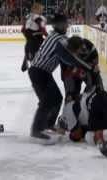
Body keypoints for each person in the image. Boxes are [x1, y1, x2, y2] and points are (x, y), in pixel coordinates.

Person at [28, 13, 96, 145]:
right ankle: (36, 129)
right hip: (38, 72)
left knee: (57, 98)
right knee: (47, 101)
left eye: (66, 23)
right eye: (64, 23)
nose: (67, 25)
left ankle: (48, 124)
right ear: (57, 25)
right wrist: (88, 67)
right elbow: (70, 58)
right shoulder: (59, 39)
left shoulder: (59, 37)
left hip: (44, 72)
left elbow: (69, 57)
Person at [20, 2, 48, 72]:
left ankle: (27, 57)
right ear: (36, 9)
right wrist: (48, 37)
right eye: (41, 9)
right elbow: (43, 29)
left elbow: (23, 30)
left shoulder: (28, 16)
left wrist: (28, 37)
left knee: (31, 53)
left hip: (29, 40)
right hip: (37, 39)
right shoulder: (39, 18)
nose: (42, 10)